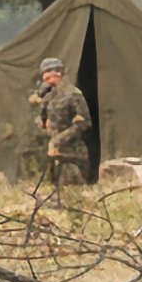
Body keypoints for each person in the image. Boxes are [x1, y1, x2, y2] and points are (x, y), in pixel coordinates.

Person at [37, 60, 94, 202]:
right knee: (54, 185)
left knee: (70, 187)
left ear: (56, 73)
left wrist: (59, 139)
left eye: (47, 73)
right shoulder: (50, 96)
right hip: (54, 152)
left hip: (71, 152)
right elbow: (43, 119)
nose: (45, 78)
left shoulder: (73, 94)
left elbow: (84, 122)